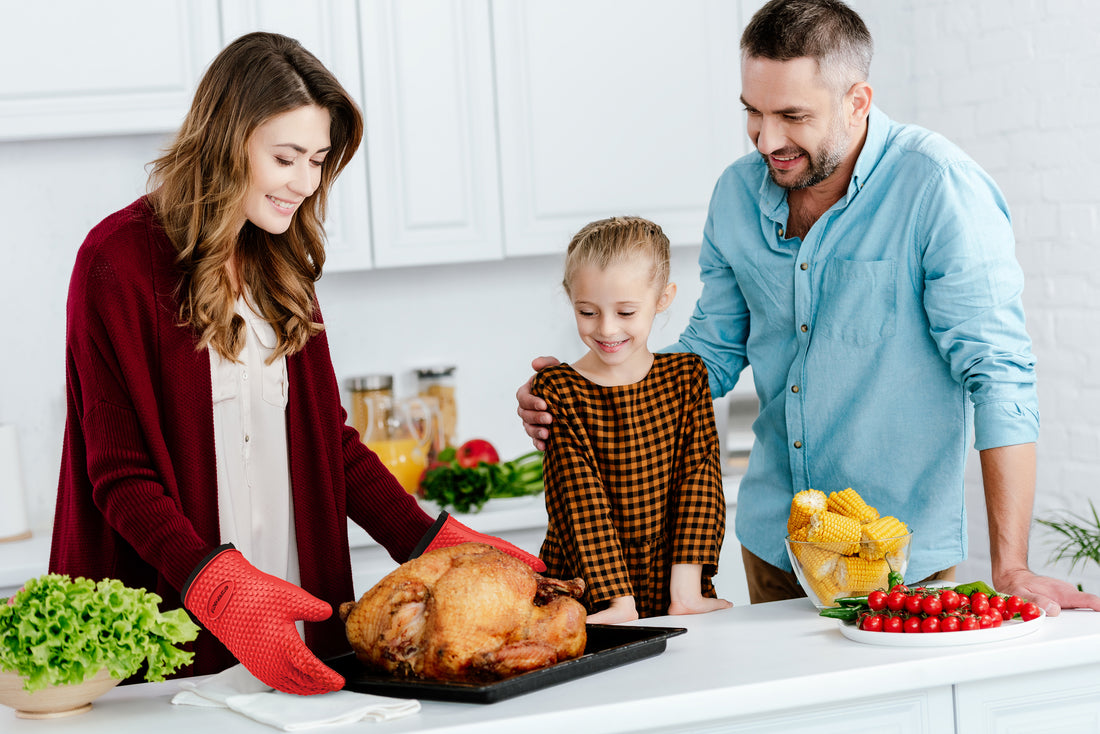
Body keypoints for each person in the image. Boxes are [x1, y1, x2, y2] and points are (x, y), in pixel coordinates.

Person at [518, 0, 1100, 616]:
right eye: (753, 113)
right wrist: (595, 384)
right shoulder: (737, 195)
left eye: (792, 115)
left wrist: (1010, 564)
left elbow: (998, 373)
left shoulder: (938, 188)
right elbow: (710, 354)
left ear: (857, 101)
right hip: (773, 544)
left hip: (896, 560)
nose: (767, 140)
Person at [49, 31, 544, 696]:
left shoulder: (280, 264)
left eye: (317, 160)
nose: (305, 183)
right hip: (169, 626)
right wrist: (219, 586)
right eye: (286, 157)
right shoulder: (116, 263)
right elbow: (120, 473)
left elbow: (328, 447)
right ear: (227, 141)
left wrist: (432, 544)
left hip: (297, 616)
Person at [533, 216, 731, 624]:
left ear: (663, 298)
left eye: (626, 312)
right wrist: (617, 602)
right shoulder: (558, 389)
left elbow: (699, 483)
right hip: (589, 589)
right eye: (587, 312)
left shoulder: (687, 377)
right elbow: (579, 502)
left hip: (675, 585)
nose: (606, 329)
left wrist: (687, 592)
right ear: (571, 299)